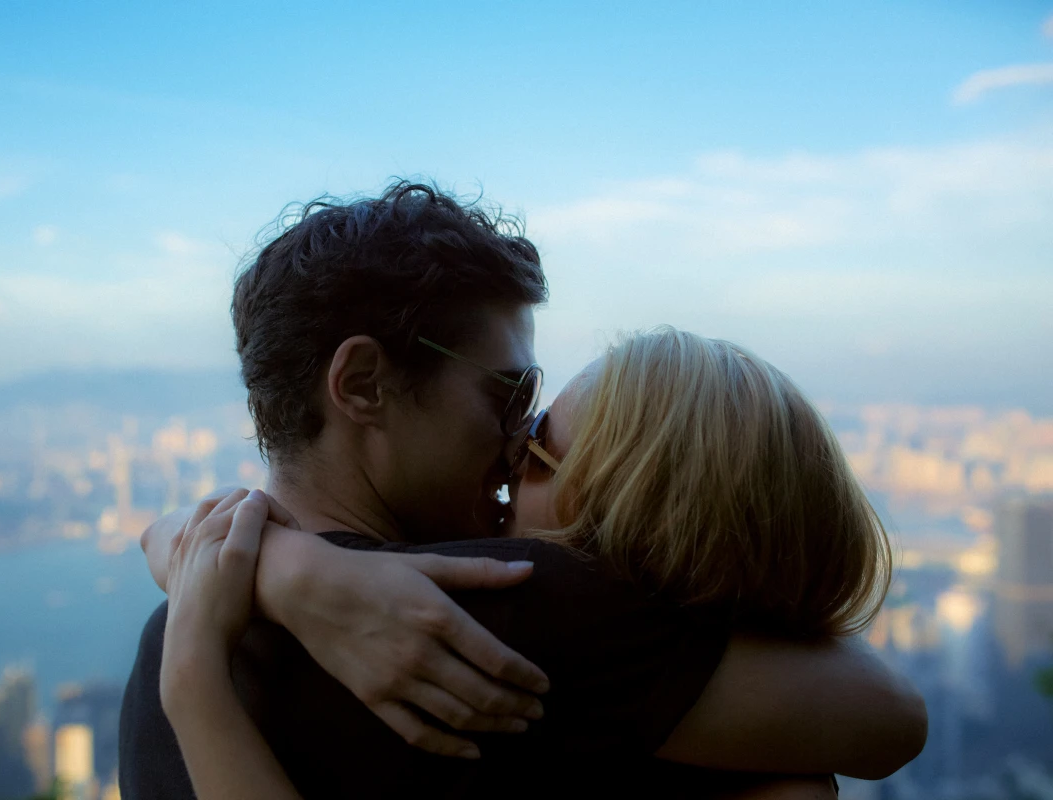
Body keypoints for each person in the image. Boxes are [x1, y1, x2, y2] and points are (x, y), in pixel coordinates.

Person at [120, 183, 927, 799]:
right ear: (363, 385)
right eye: (508, 398)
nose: (516, 445)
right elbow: (887, 717)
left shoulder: (172, 646)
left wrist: (269, 567)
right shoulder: (511, 604)